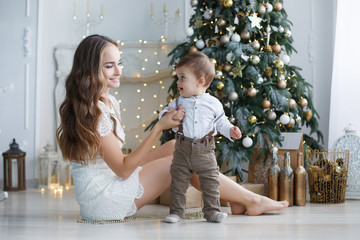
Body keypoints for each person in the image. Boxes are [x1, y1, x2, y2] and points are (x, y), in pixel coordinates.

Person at [56, 34, 289, 222]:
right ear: (90, 70)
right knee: (182, 159)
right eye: (109, 66)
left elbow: (118, 163)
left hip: (110, 181)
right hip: (102, 200)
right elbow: (123, 170)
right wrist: (159, 127)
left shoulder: (108, 102)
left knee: (175, 146)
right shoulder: (94, 112)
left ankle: (239, 199)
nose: (118, 71)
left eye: (119, 63)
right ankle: (252, 200)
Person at [159, 52, 242, 223]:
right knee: (178, 182)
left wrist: (230, 131)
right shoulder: (178, 102)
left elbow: (222, 124)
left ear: (200, 81)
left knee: (211, 182)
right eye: (178, 77)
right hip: (182, 149)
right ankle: (176, 212)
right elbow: (163, 115)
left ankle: (212, 212)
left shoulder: (213, 103)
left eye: (182, 78)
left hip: (205, 150)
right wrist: (172, 114)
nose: (178, 82)